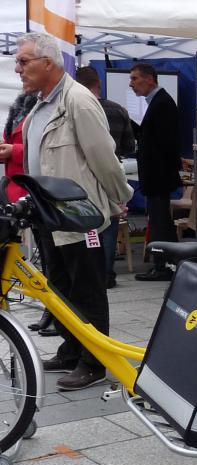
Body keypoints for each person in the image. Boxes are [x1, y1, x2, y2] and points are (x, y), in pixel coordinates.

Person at [17, 32, 131, 391]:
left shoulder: (78, 101)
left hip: (80, 216)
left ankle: (94, 361)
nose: (17, 68)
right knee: (61, 287)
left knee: (87, 288)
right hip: (50, 215)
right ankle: (71, 349)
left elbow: (104, 158)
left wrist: (117, 199)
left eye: (23, 61)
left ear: (47, 63)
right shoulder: (41, 102)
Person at [0, 90, 56, 335]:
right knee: (45, 258)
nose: (19, 71)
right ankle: (50, 310)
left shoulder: (44, 107)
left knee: (52, 258)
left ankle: (54, 311)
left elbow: (43, 147)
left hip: (35, 187)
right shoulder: (19, 108)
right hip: (19, 188)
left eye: (24, 63)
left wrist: (14, 150)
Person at [75, 66, 135, 289]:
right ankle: (107, 274)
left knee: (91, 225)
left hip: (85, 175)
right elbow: (129, 146)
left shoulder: (74, 108)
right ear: (98, 84)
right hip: (114, 171)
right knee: (111, 222)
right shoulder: (118, 110)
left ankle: (92, 272)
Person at [129, 62, 180, 281]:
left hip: (158, 177)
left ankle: (163, 267)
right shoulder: (158, 103)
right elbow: (153, 138)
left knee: (160, 223)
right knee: (160, 222)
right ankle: (167, 263)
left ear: (149, 79)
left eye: (134, 79)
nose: (131, 84)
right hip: (156, 177)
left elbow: (166, 144)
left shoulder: (162, 104)